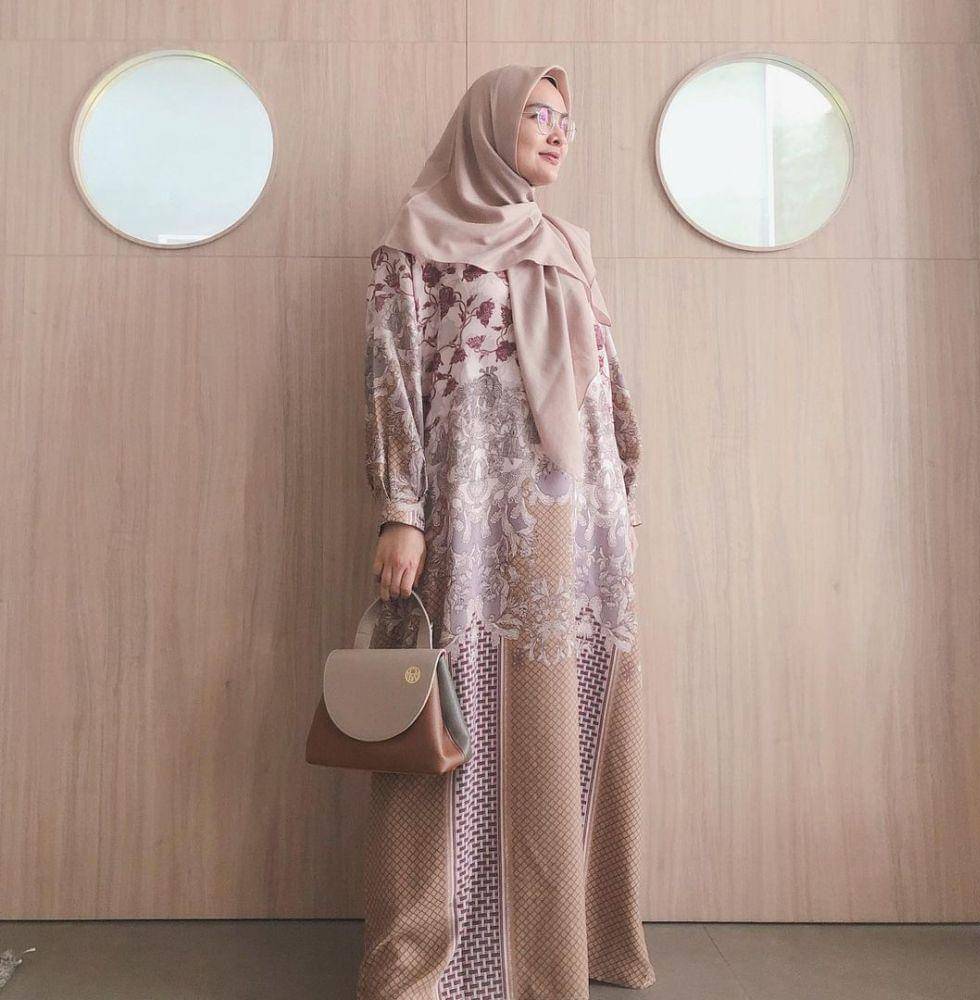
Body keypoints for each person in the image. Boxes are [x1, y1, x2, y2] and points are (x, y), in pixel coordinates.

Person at [357, 63, 655, 999]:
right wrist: (401, 510)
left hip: (577, 525)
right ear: (489, 127)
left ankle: (561, 947)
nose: (558, 132)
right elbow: (393, 381)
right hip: (473, 522)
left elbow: (606, 388)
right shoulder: (417, 240)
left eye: (567, 119)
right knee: (449, 717)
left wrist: (621, 498)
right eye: (538, 114)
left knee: (562, 714)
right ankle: (438, 960)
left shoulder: (567, 244)